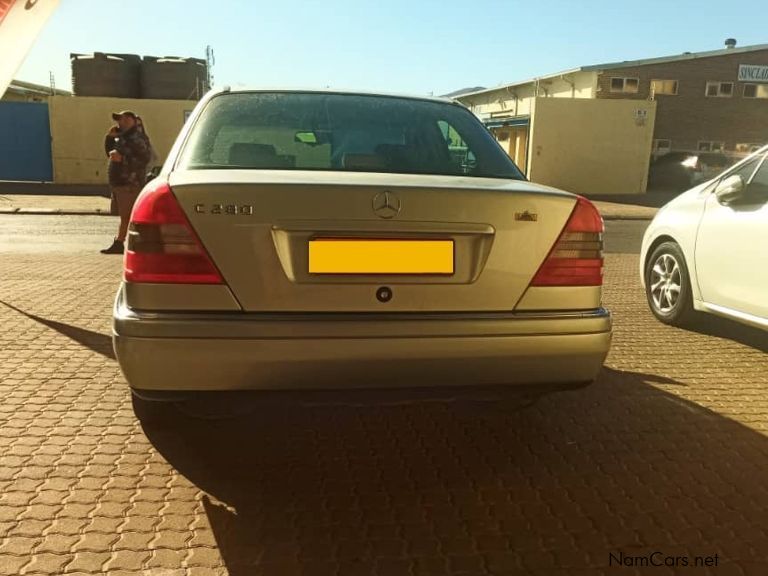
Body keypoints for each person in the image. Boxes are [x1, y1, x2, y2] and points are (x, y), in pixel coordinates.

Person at [101, 110, 151, 254]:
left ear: (134, 121)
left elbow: (144, 159)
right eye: (119, 120)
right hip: (120, 182)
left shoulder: (137, 138)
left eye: (124, 120)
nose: (120, 123)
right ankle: (122, 242)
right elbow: (110, 154)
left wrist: (123, 159)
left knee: (128, 216)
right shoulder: (123, 138)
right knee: (125, 216)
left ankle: (125, 243)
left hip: (130, 182)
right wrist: (110, 138)